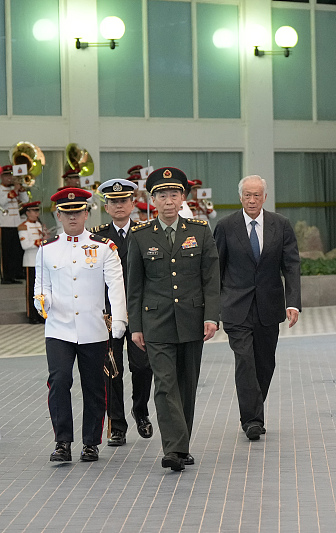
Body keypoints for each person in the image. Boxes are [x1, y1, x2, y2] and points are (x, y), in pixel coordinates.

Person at [127, 167, 220, 471]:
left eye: (174, 194)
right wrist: (136, 326)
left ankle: (182, 444)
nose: (169, 201)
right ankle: (174, 449)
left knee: (186, 385)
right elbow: (135, 286)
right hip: (156, 322)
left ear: (183, 198)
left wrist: (211, 317)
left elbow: (211, 279)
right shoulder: (140, 236)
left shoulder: (200, 230)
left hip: (192, 319)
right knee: (165, 384)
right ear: (152, 199)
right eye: (162, 195)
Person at [34, 188, 127, 463]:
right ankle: (62, 441)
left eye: (77, 212)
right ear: (58, 216)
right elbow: (42, 286)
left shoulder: (103, 248)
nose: (72, 218)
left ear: (87, 213)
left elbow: (116, 287)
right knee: (60, 380)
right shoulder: (46, 250)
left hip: (93, 328)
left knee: (94, 386)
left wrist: (119, 320)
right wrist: (42, 302)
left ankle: (91, 443)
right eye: (66, 213)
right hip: (59, 329)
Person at [214, 175, 301, 440]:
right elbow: (215, 270)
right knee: (245, 361)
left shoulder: (281, 225)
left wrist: (293, 303)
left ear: (265, 197)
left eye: (257, 195)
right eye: (247, 195)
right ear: (240, 197)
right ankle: (251, 419)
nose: (252, 200)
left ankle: (254, 408)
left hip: (268, 306)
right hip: (235, 307)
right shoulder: (226, 226)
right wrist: (211, 311)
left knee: (265, 363)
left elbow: (292, 265)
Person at [91, 179, 154, 446]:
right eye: (113, 202)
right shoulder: (96, 236)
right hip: (107, 314)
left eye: (124, 201)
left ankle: (140, 410)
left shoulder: (145, 231)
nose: (119, 206)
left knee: (142, 367)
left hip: (139, 312)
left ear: (132, 203)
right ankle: (117, 425)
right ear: (106, 206)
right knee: (111, 369)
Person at [1, 165, 30, 284]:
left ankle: (17, 272)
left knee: (17, 250)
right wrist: (14, 191)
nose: (10, 178)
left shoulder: (15, 188)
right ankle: (6, 275)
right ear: (1, 177)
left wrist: (21, 190)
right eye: (7, 175)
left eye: (11, 175)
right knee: (6, 251)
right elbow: (2, 202)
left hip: (17, 223)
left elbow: (26, 200)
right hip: (4, 224)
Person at [18, 201, 46, 323]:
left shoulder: (39, 225)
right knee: (31, 291)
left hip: (41, 261)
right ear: (28, 212)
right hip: (30, 261)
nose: (37, 213)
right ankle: (31, 315)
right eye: (34, 211)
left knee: (42, 290)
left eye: (37, 211)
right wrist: (40, 241)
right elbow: (25, 245)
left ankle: (41, 314)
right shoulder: (23, 226)